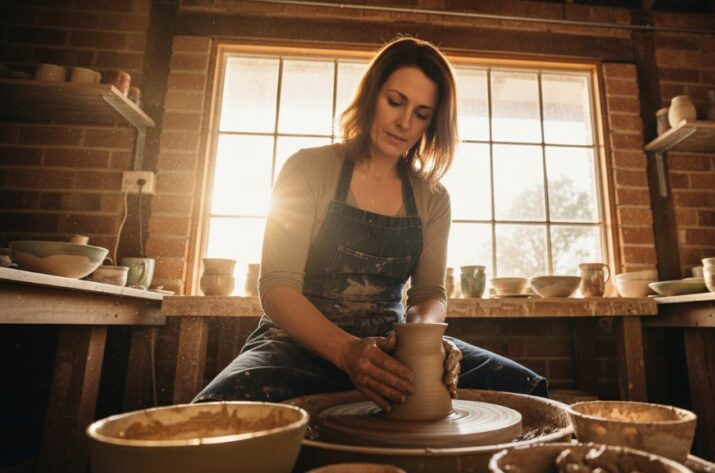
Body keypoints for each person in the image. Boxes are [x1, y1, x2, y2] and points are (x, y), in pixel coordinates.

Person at [194, 37, 548, 410]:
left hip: (390, 347)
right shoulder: (308, 169)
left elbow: (429, 294)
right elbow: (277, 288)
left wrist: (424, 340)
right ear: (371, 95)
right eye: (395, 102)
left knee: (524, 389)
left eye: (422, 113)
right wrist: (347, 352)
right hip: (297, 344)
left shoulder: (433, 198)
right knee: (213, 414)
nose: (404, 123)